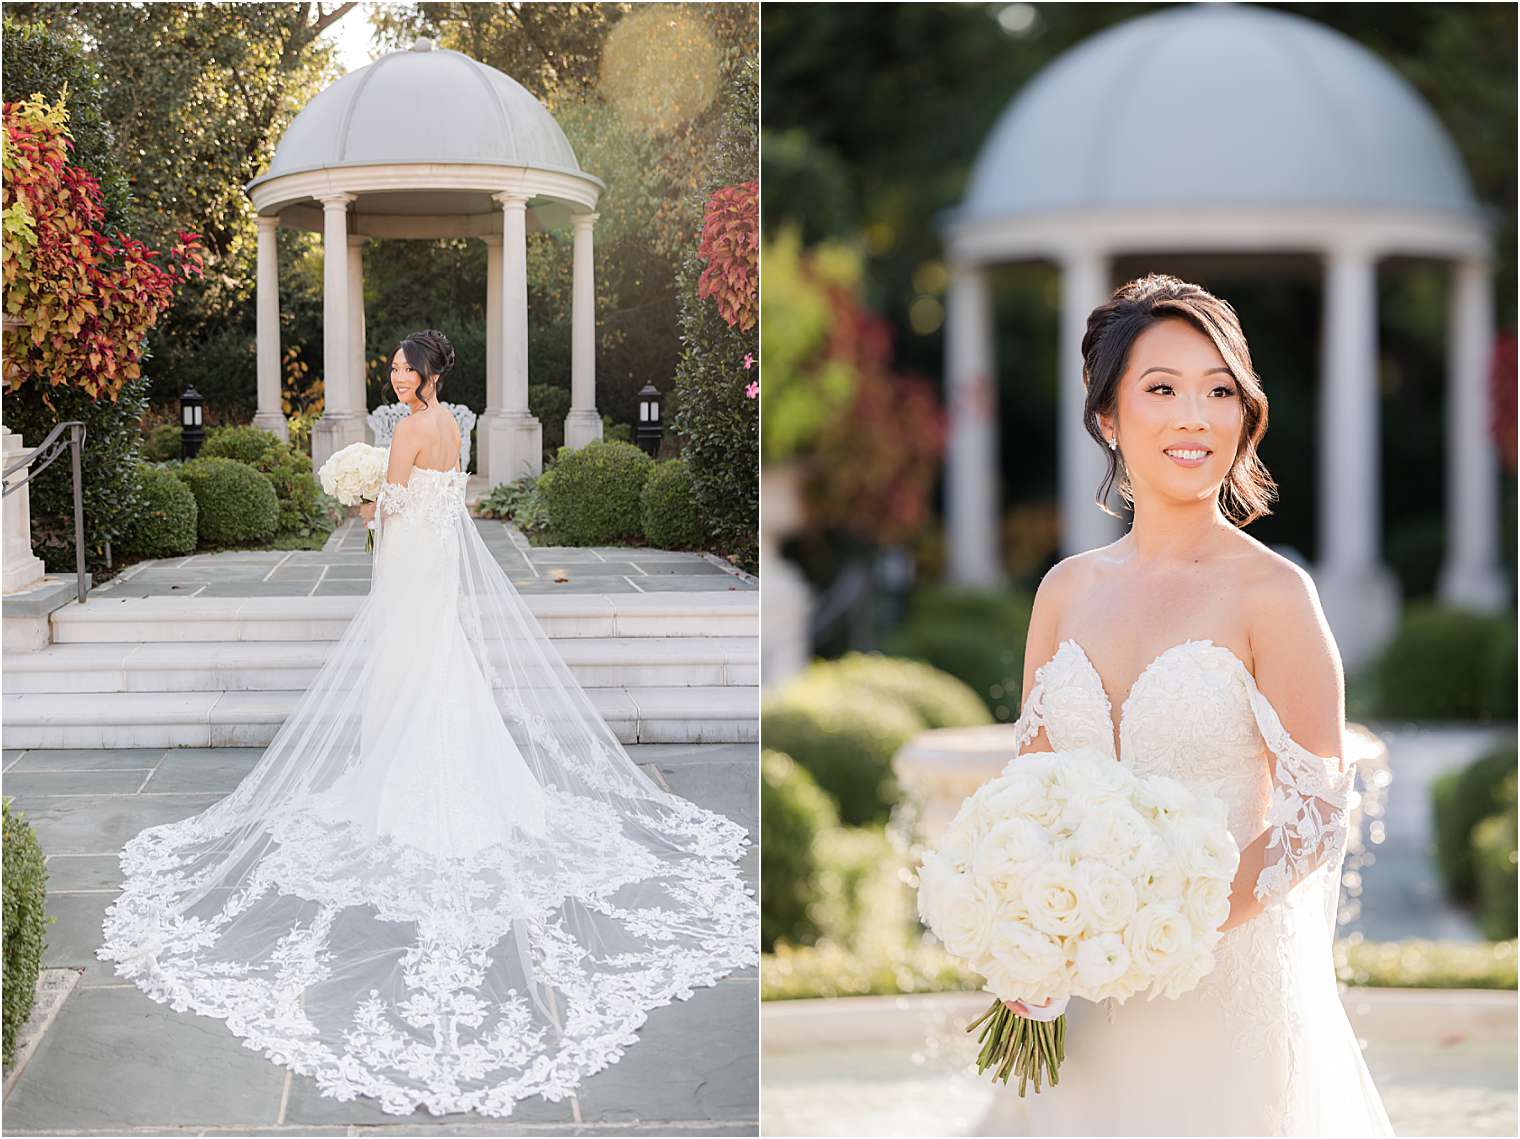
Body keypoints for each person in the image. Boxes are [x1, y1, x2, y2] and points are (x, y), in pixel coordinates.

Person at [98, 329, 757, 1119]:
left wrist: (353, 496)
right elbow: (447, 497)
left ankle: (404, 771)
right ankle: (458, 772)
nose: (394, 375)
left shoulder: (411, 429)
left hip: (410, 563)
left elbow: (390, 506)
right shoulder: (451, 426)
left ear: (426, 374)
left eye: (402, 368)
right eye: (392, 367)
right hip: (434, 562)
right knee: (437, 661)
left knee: (408, 663)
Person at [990, 276, 1394, 1135]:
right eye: (1163, 388)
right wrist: (1026, 931)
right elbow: (1030, 796)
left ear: (1244, 414)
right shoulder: (1063, 591)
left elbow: (1317, 814)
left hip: (1224, 997)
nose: (1195, 417)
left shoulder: (1274, 594)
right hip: (1086, 1000)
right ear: (1108, 416)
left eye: (1219, 392)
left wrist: (1166, 925)